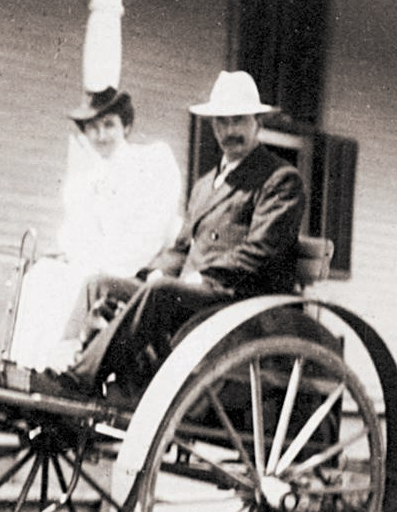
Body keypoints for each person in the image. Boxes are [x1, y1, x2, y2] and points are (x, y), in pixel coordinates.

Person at [51, 69, 307, 397]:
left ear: (258, 123)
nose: (230, 131)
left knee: (160, 294)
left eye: (239, 120)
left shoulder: (279, 179)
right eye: (221, 122)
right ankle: (66, 362)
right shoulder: (204, 186)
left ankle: (79, 380)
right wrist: (155, 272)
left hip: (237, 300)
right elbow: (181, 248)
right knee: (99, 284)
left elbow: (261, 250)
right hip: (195, 295)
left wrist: (201, 276)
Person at [7, 87, 182, 371]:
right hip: (95, 263)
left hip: (138, 266)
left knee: (75, 283)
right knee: (41, 276)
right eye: (93, 128)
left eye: (109, 125)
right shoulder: (86, 181)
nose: (101, 136)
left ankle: (62, 368)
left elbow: (150, 233)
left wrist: (97, 261)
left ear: (126, 126)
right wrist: (76, 255)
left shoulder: (150, 164)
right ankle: (24, 368)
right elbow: (75, 234)